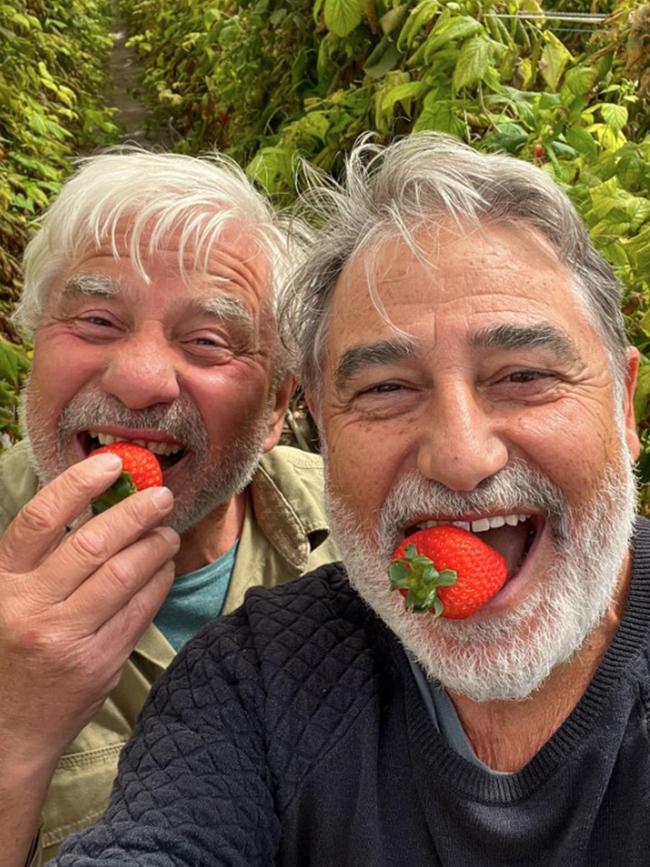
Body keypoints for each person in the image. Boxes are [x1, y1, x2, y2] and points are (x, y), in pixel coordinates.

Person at [52, 133, 648, 866]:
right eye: (386, 388)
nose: (461, 458)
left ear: (624, 405)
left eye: (524, 374)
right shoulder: (252, 681)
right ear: (321, 431)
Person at [0, 150, 338, 867]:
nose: (140, 381)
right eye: (95, 321)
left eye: (207, 341)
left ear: (278, 404)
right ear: (32, 346)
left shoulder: (368, 546)